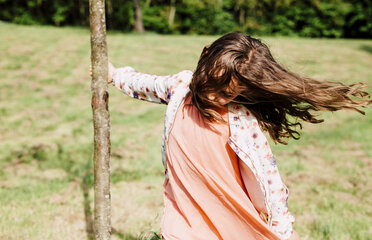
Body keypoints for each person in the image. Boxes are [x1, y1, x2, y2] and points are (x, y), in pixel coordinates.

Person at [89, 33, 371, 240]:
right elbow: (147, 84)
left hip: (228, 214)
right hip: (182, 213)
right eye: (209, 82)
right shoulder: (181, 87)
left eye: (225, 93)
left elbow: (269, 179)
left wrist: (283, 230)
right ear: (204, 56)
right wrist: (114, 75)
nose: (211, 94)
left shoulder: (240, 120)